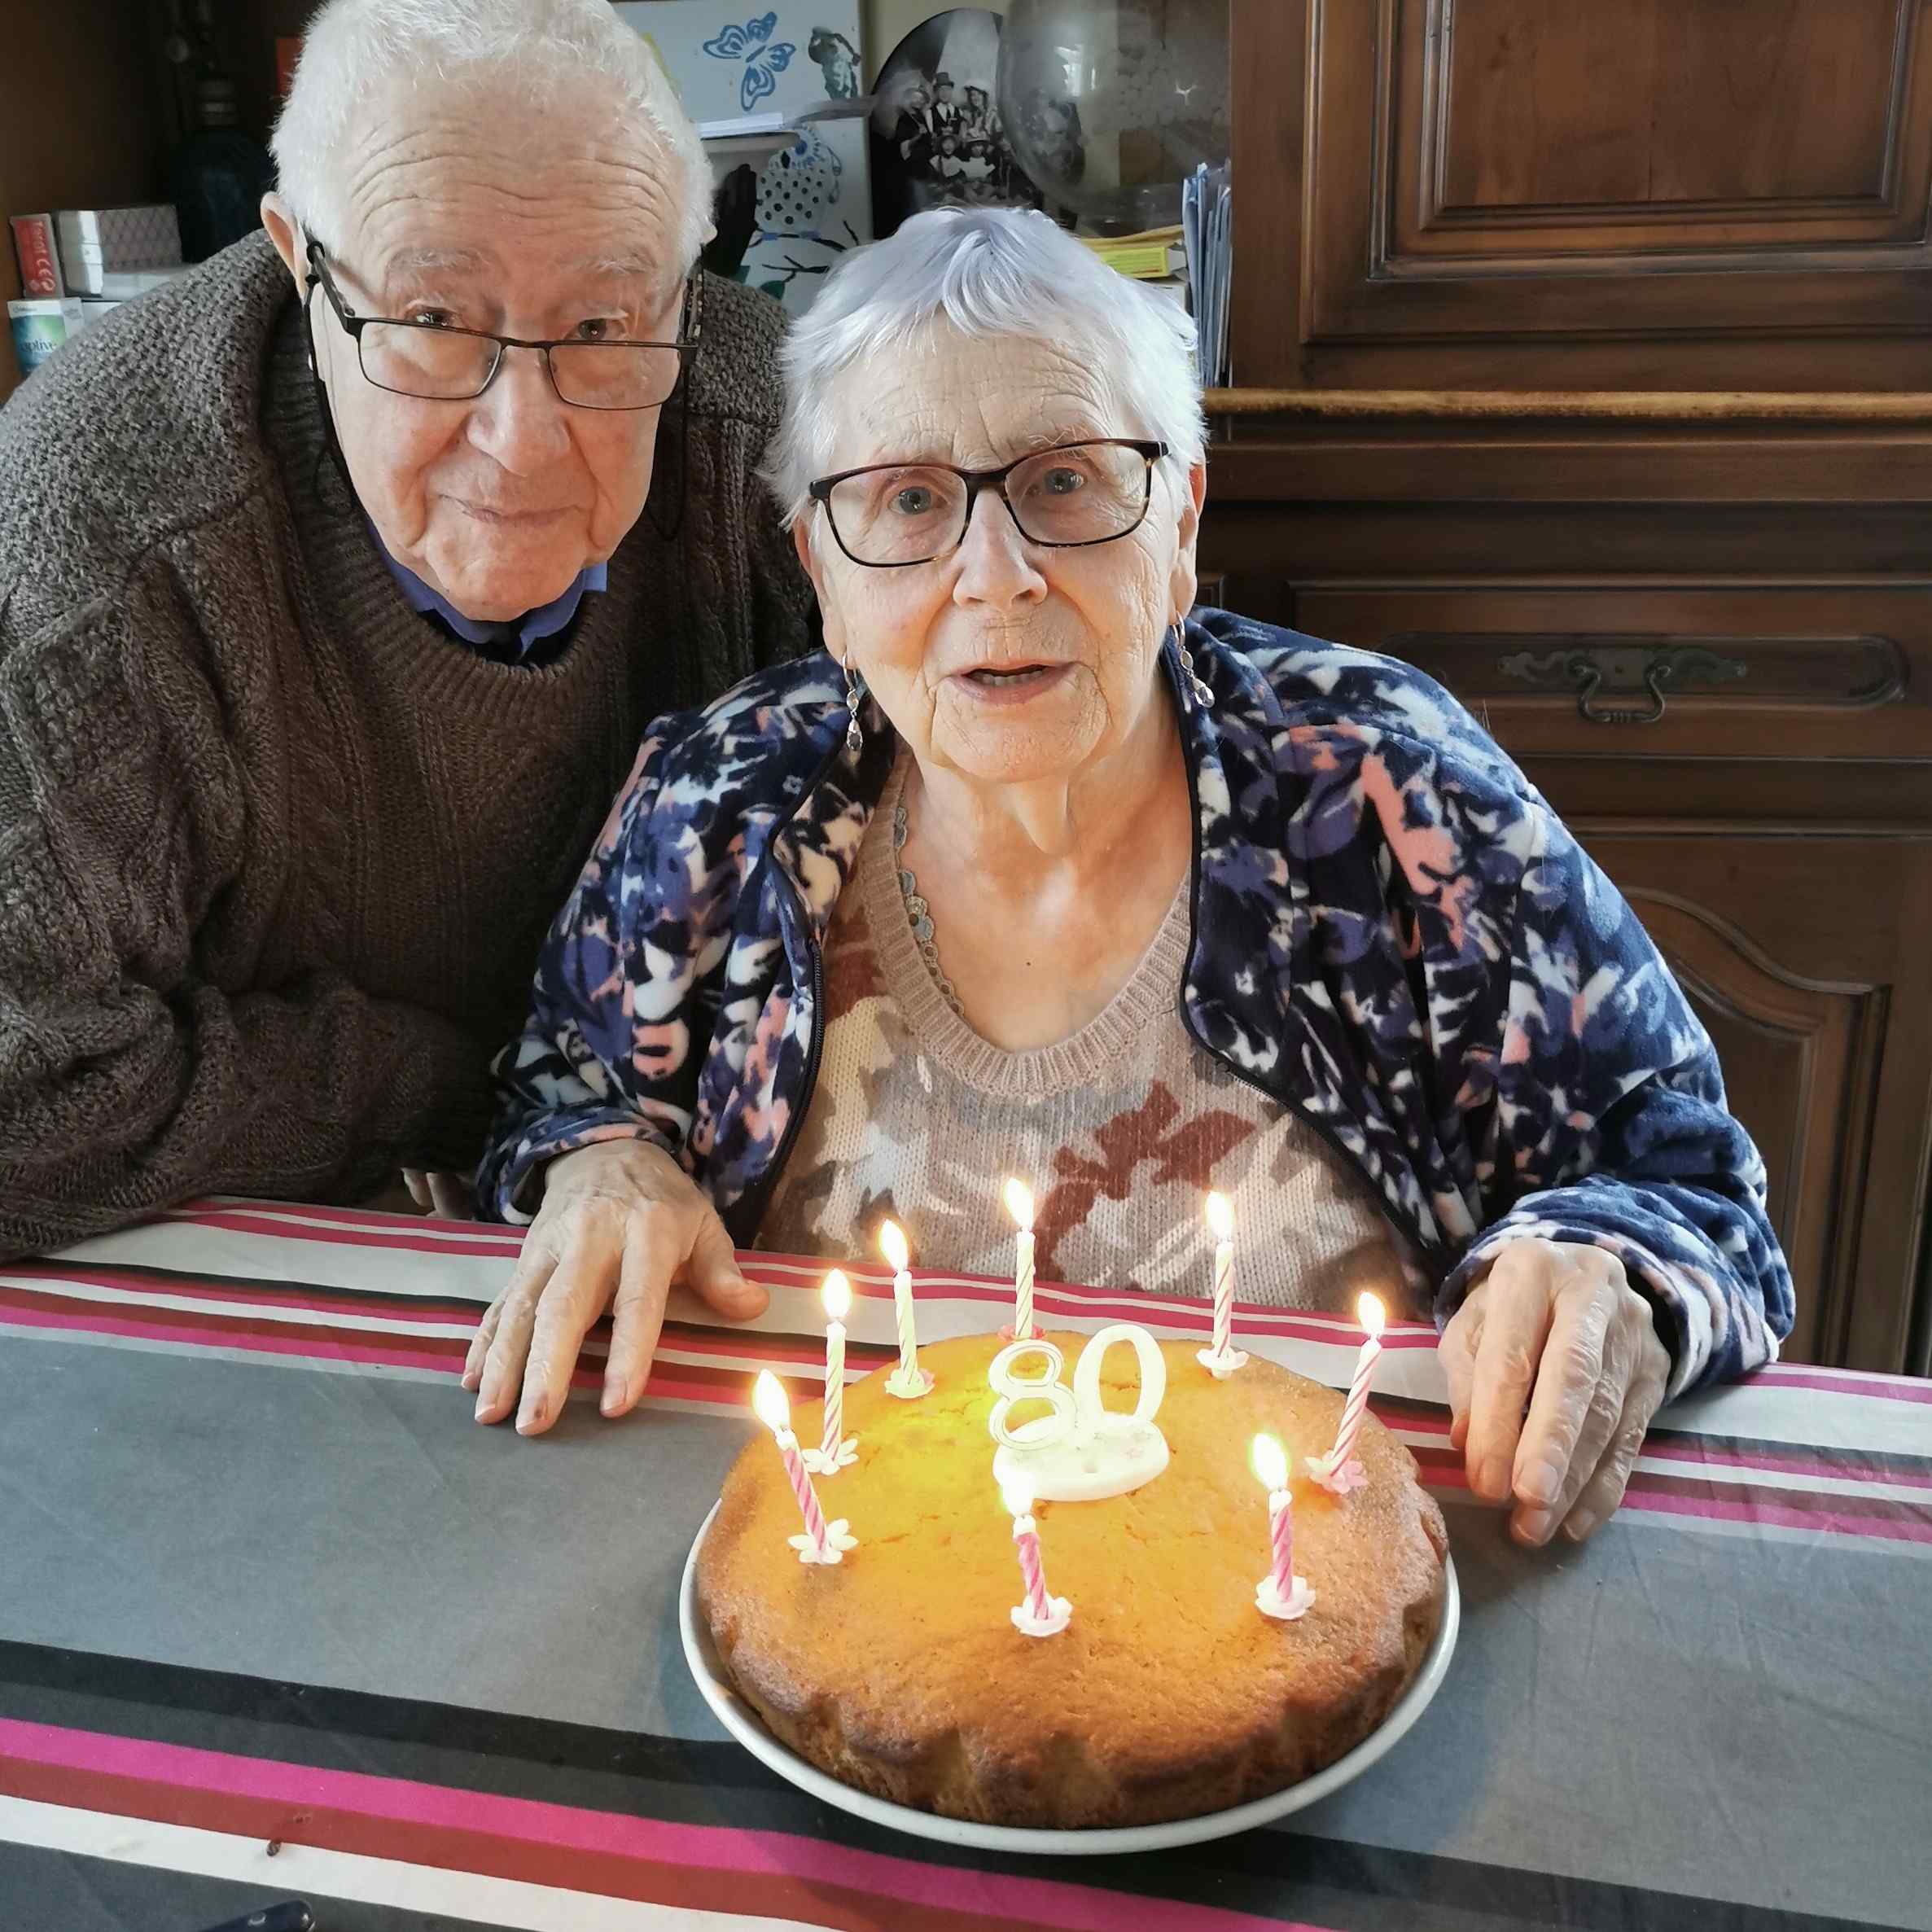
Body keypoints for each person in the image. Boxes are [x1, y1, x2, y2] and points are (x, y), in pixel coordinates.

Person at [467, 208, 1793, 1550]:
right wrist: (604, 1159)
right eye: (908, 500)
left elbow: (1685, 1182)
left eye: (1065, 480)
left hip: (1306, 1586)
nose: (996, 576)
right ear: (821, 574)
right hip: (856, 1575)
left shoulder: (1388, 789)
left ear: (1180, 523)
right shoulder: (722, 798)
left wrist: (1595, 1263)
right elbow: (556, 1100)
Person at [0, 0, 812, 1257]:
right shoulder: (98, 532)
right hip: (265, 1248)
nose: (523, 439)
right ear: (294, 259)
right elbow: (24, 1093)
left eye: (601, 327)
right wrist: (467, 1090)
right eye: (434, 323)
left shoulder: (791, 446)